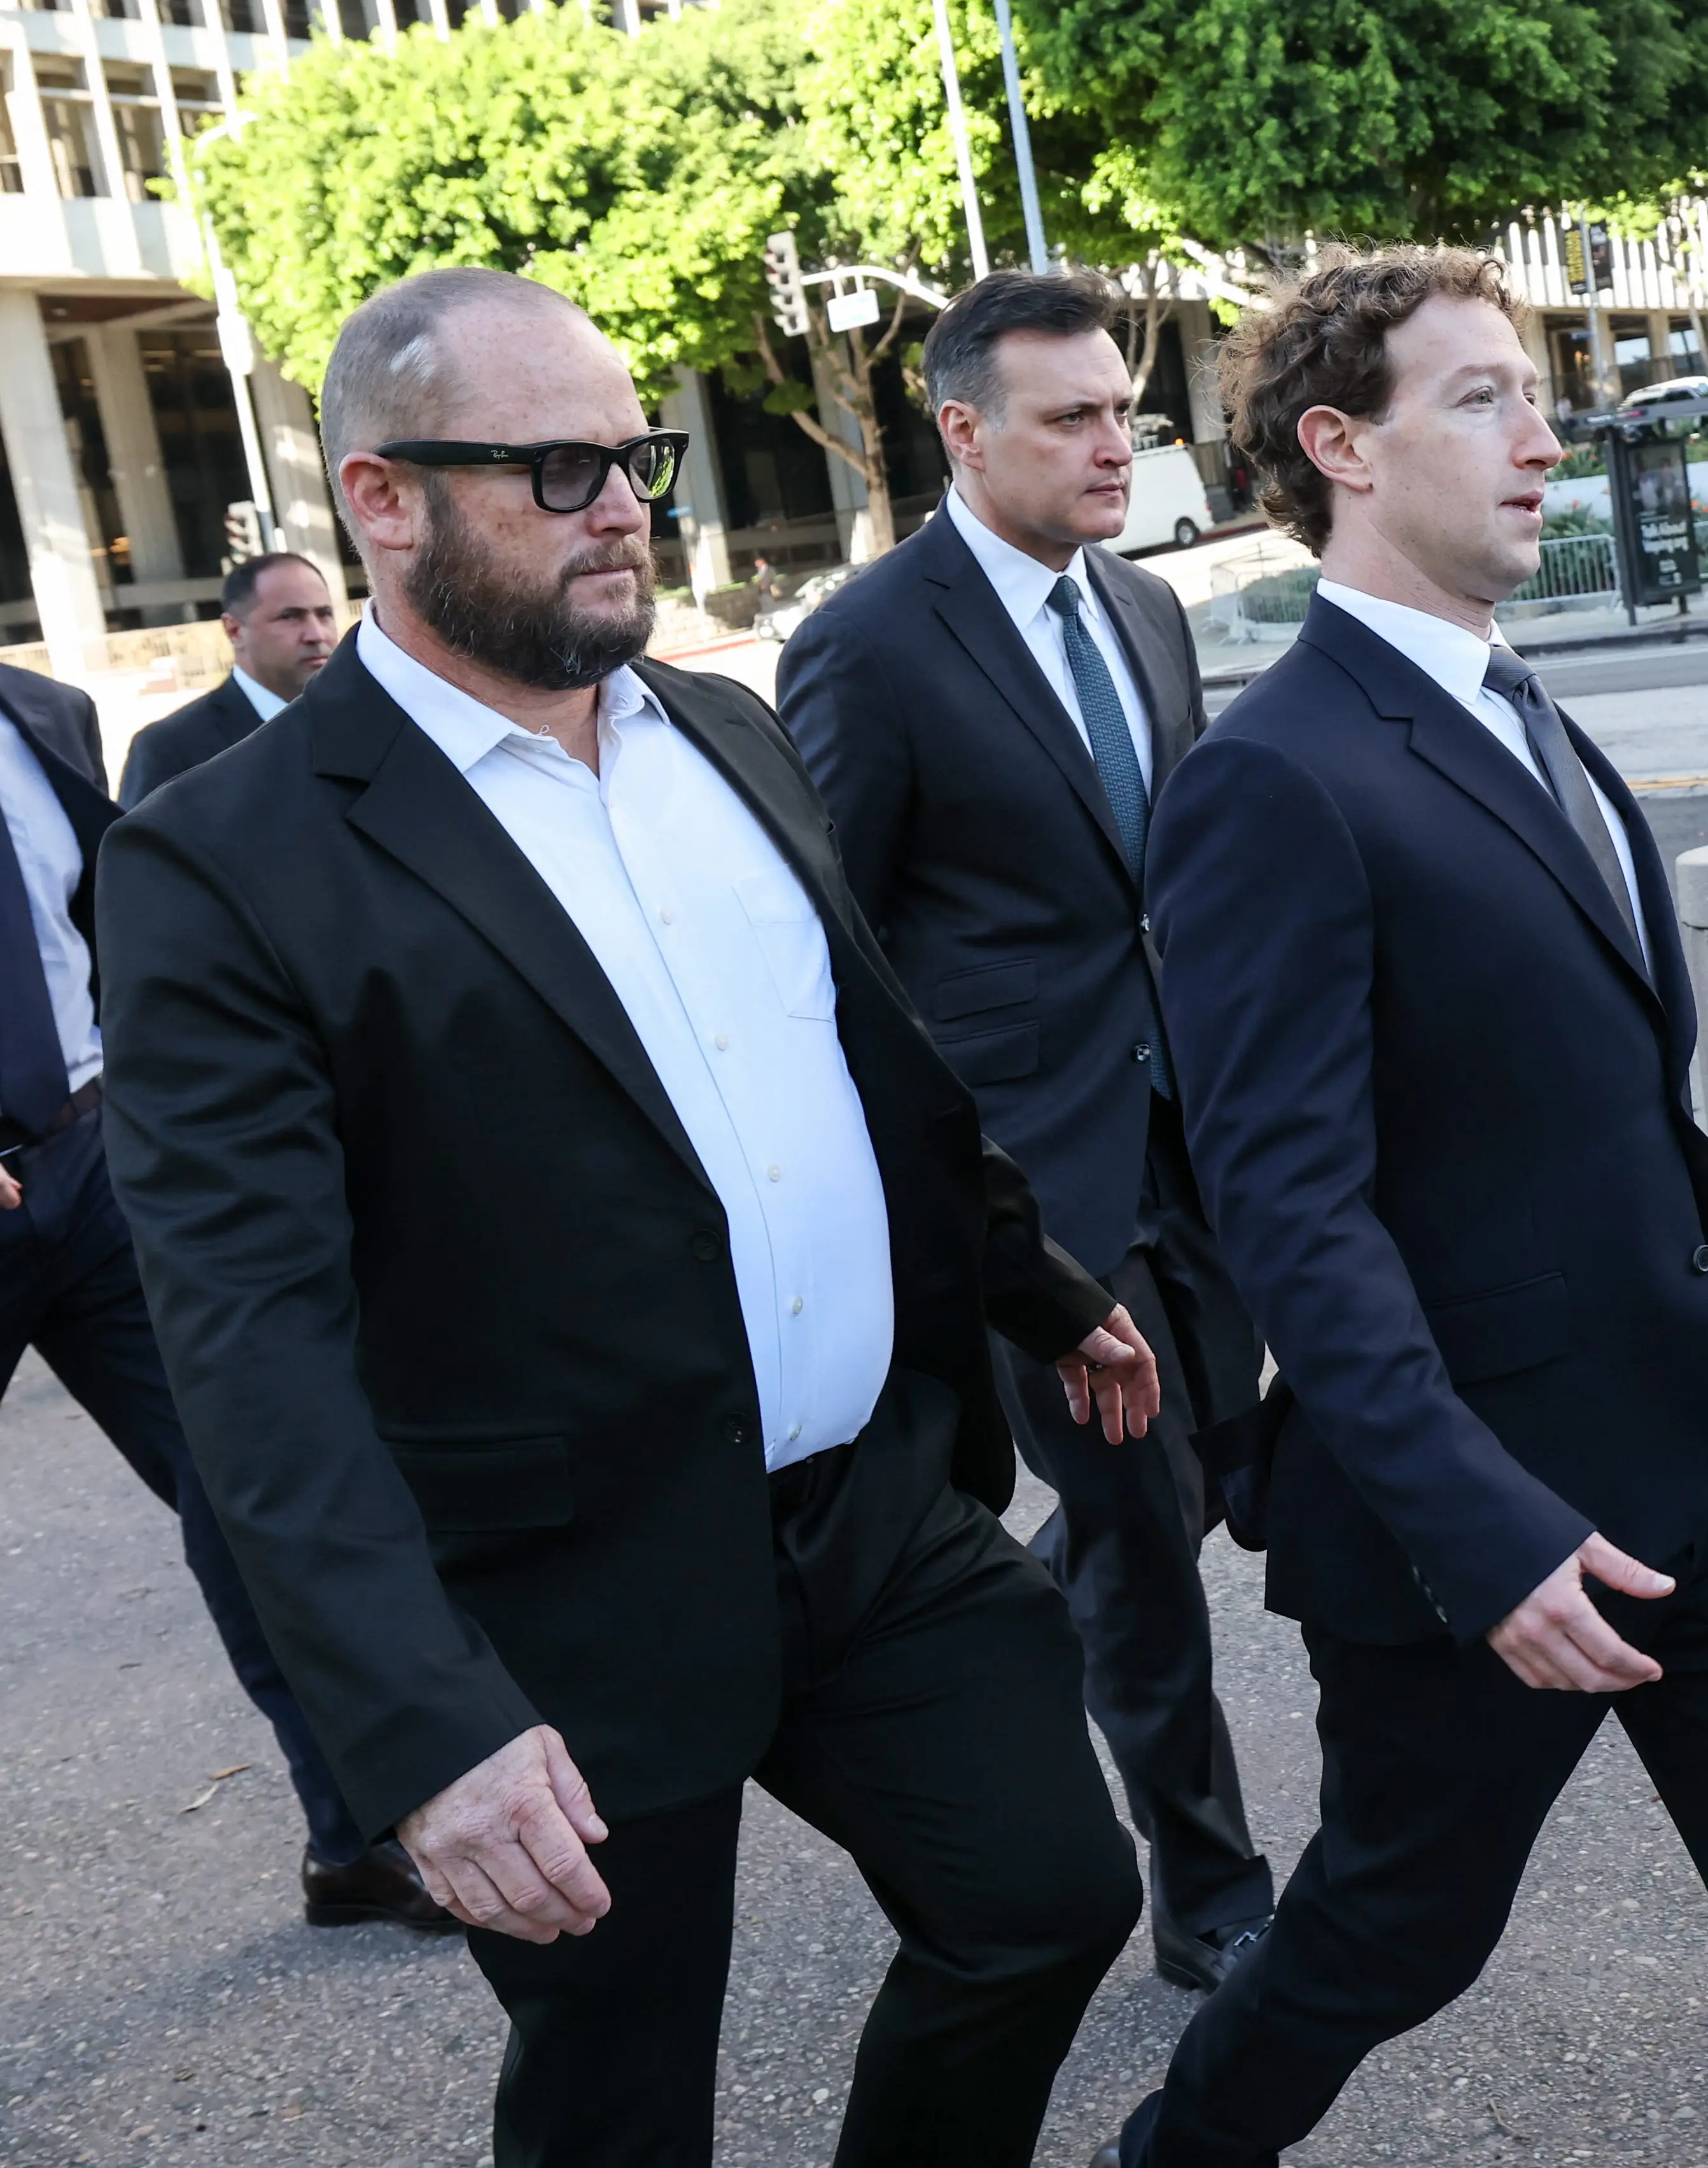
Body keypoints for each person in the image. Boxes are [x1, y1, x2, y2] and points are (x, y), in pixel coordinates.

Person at [95, 266, 1154, 2167]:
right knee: (619, 2095)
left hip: (869, 1519)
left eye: (637, 457)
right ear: (383, 500)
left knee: (1048, 1901)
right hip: (556, 1594)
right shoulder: (223, 862)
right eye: (560, 465)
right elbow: (249, 1344)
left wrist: (1034, 1282)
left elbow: (867, 1078)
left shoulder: (721, 732)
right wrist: (417, 1723)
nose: (625, 504)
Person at [1101, 247, 1708, 2168]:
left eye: (1533, 394)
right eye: (1477, 399)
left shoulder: (1521, 708)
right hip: (1484, 1523)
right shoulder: (1273, 777)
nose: (1544, 438)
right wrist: (1483, 1528)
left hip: (1706, 1462)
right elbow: (1292, 1211)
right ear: (1336, 446)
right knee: (1387, 1933)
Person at [780, 271, 1275, 1992]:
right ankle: (1208, 1888)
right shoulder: (867, 643)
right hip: (1034, 1173)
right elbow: (830, 950)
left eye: (1121, 411)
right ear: (962, 429)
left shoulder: (1140, 612)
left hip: (1198, 1135)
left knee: (1201, 1455)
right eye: (1067, 418)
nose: (1111, 446)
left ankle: (1028, 1595)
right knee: (1141, 1522)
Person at [0, 655, 445, 1933]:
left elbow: (95, 926)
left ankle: (360, 1830)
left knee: (253, 1486)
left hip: (92, 1161)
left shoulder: (43, 712)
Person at [117, 552, 341, 808]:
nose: (316, 634)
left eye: (324, 614)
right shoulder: (170, 749)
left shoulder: (362, 718)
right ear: (234, 631)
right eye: (290, 617)